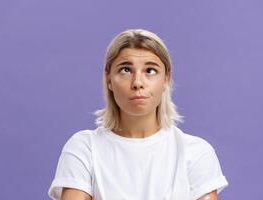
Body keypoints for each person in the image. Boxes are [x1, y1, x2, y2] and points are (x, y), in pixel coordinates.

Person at [48, 29, 228, 200]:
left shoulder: (196, 153)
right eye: (125, 70)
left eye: (150, 70)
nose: (137, 83)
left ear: (166, 78)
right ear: (109, 79)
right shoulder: (84, 149)